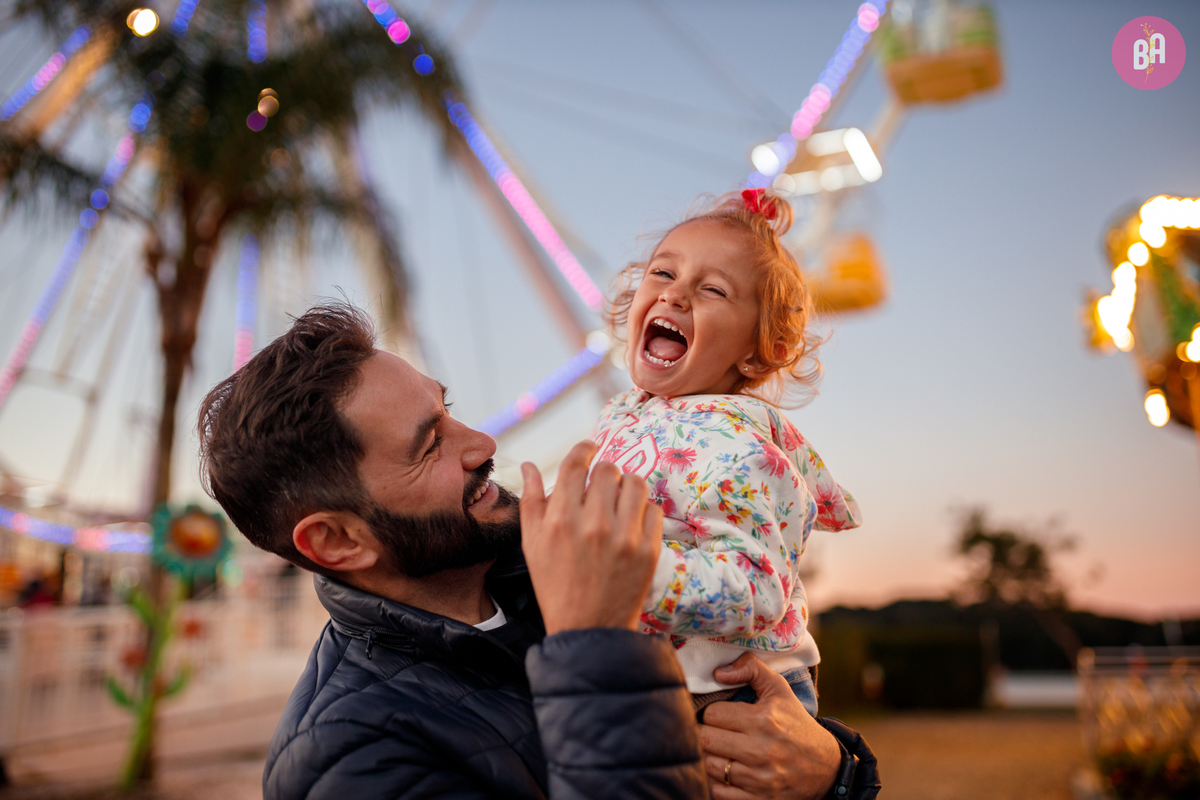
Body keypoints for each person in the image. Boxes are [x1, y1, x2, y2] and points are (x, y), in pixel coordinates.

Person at [197, 303, 879, 799]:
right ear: (338, 540)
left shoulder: (569, 555)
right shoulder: (349, 761)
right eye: (430, 445)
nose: (481, 443)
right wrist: (595, 642)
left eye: (448, 410)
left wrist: (833, 772)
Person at [594, 189, 861, 715]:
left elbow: (758, 588)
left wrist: (625, 576)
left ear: (760, 353)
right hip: (653, 678)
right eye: (663, 273)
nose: (675, 295)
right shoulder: (625, 418)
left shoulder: (739, 447)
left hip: (724, 690)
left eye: (713, 289)